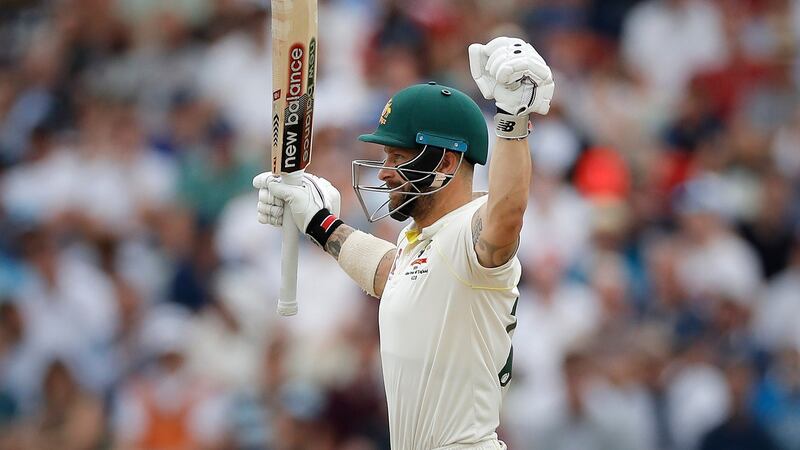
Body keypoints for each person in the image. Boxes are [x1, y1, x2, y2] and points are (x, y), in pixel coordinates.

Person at [253, 37, 554, 449]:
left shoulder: (473, 233)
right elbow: (387, 272)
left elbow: (507, 214)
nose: (384, 173)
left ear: (447, 162)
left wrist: (512, 120)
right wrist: (318, 223)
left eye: (399, 158)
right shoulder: (419, 243)